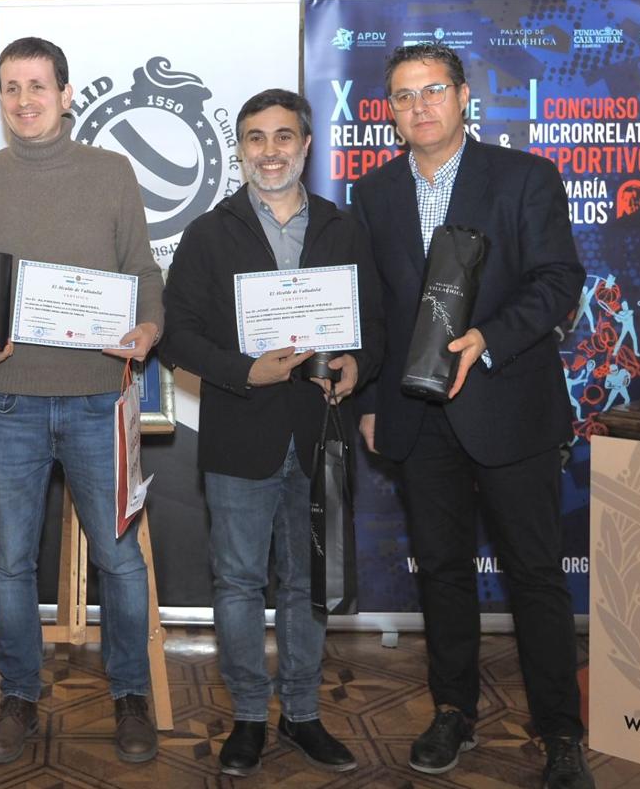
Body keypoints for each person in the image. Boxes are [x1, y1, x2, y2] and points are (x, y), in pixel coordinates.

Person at [351, 42, 592, 788]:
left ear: (462, 98)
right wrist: (366, 400)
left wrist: (488, 339)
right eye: (403, 96)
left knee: (535, 577)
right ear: (389, 111)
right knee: (443, 575)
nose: (419, 107)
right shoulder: (377, 192)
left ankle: (559, 734)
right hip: (417, 418)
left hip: (510, 407)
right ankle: (452, 709)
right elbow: (372, 308)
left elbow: (559, 282)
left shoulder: (524, 178)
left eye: (433, 91)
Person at [0, 36, 164, 765]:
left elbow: (141, 270)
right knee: (10, 564)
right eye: (11, 87)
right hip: (7, 403)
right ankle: (20, 696)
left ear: (67, 95)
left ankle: (130, 693)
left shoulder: (111, 173)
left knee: (120, 560)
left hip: (99, 401)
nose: (24, 100)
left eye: (38, 86)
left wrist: (148, 328)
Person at [159, 89, 383, 777]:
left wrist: (355, 365)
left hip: (322, 434)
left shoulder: (346, 229)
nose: (270, 151)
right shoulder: (209, 232)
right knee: (236, 584)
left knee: (308, 583)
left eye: (283, 137)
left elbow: (377, 327)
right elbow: (177, 338)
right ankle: (250, 719)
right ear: (241, 150)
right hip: (240, 436)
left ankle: (305, 716)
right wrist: (244, 370)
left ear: (306, 146)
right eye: (255, 139)